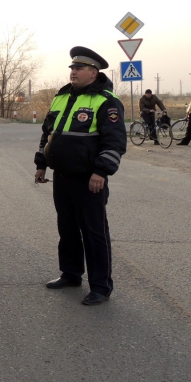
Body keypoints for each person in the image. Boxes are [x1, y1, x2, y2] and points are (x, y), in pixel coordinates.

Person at [34, 47, 127, 306]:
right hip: (62, 176)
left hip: (90, 179)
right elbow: (48, 133)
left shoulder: (106, 101)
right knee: (67, 228)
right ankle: (71, 273)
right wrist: (41, 163)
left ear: (93, 73)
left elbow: (115, 141)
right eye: (72, 68)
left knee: (94, 232)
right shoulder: (61, 97)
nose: (73, 72)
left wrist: (101, 172)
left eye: (79, 68)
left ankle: (100, 286)